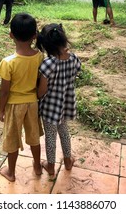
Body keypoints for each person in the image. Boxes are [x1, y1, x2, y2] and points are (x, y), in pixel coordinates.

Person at [0, 13, 44, 182]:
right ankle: (37, 166)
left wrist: (1, 109)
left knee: (12, 138)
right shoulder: (39, 56)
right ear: (34, 36)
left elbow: (4, 91)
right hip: (32, 102)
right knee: (34, 136)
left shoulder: (8, 62)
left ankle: (11, 172)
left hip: (14, 105)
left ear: (11, 35)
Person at [36, 23, 82, 175]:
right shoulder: (74, 58)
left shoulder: (48, 64)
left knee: (50, 137)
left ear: (47, 45)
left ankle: (50, 167)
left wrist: (36, 98)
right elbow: (76, 73)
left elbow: (42, 90)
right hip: (65, 103)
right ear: (64, 39)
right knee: (64, 131)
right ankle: (68, 161)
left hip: (50, 108)